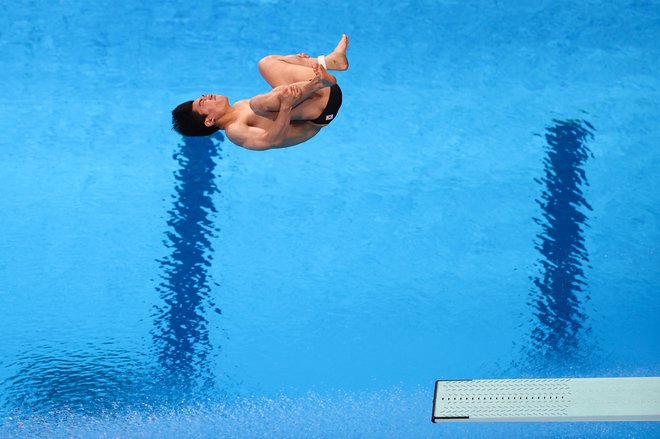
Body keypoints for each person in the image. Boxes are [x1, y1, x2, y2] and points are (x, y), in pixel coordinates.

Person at [171, 35, 349, 151]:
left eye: (202, 96)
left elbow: (280, 98)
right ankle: (317, 82)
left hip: (322, 92)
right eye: (202, 103)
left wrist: (291, 63)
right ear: (209, 120)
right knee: (258, 103)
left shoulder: (239, 105)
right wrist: (286, 106)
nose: (206, 96)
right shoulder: (235, 131)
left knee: (266, 63)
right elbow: (273, 141)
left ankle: (331, 62)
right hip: (322, 111)